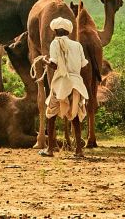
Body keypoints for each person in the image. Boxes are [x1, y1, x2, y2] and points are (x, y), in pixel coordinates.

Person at [40, 16, 88, 158]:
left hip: (61, 83)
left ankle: (49, 149)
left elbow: (55, 65)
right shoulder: (77, 45)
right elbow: (84, 65)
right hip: (76, 83)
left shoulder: (55, 43)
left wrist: (46, 61)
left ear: (54, 31)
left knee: (51, 113)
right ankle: (79, 150)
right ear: (68, 31)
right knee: (75, 116)